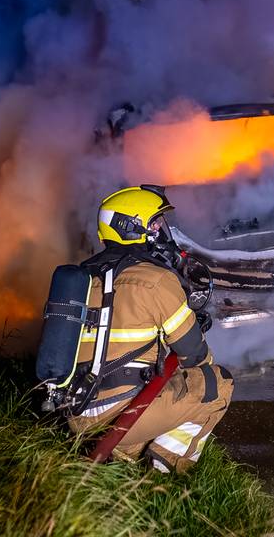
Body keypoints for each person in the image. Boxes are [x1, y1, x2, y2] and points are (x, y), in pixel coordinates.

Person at [63, 185, 234, 473]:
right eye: (154, 223)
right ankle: (162, 471)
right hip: (121, 416)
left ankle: (124, 453)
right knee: (217, 384)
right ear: (132, 228)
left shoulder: (81, 278)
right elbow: (195, 357)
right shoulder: (155, 280)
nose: (160, 231)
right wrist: (192, 328)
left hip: (74, 415)